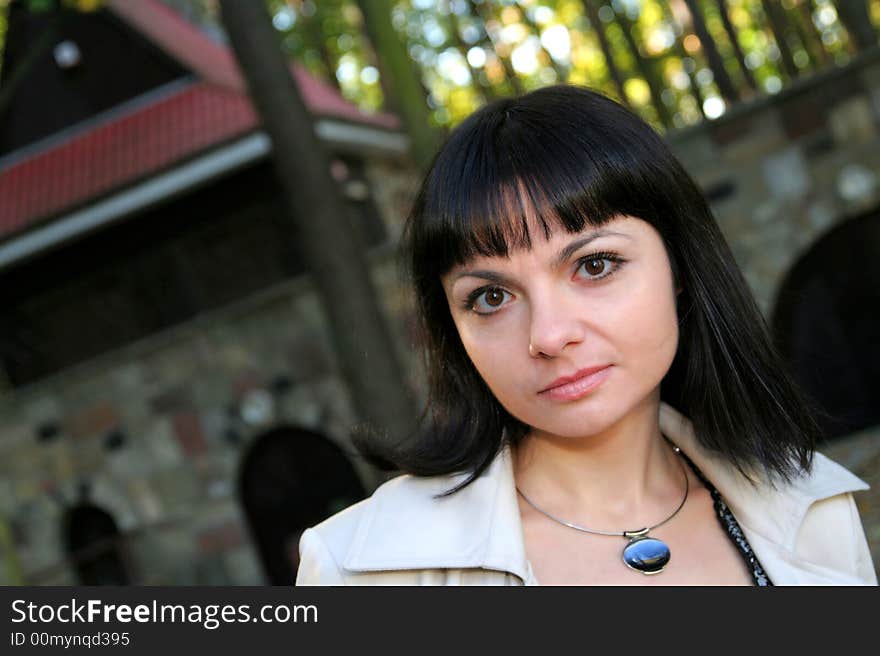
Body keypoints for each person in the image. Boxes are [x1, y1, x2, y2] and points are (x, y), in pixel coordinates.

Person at [295, 84, 877, 585]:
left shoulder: (815, 511)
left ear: (679, 267)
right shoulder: (364, 569)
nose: (548, 335)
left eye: (594, 265)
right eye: (491, 297)